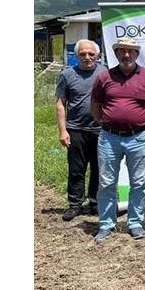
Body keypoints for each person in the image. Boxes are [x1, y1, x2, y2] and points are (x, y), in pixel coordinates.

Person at [90, 38, 145, 242]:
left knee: (139, 183)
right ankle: (106, 224)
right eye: (122, 51)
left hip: (138, 137)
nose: (126, 55)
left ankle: (135, 223)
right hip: (109, 138)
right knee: (106, 183)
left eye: (130, 51)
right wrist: (104, 122)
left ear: (137, 54)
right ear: (116, 54)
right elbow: (95, 105)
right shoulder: (104, 77)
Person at [55, 39, 107, 221]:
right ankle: (75, 204)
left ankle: (95, 203)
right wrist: (63, 130)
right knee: (76, 169)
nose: (87, 57)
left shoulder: (105, 72)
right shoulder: (67, 75)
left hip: (101, 129)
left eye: (91, 54)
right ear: (76, 55)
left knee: (98, 168)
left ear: (97, 55)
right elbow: (61, 104)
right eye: (83, 54)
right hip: (76, 129)